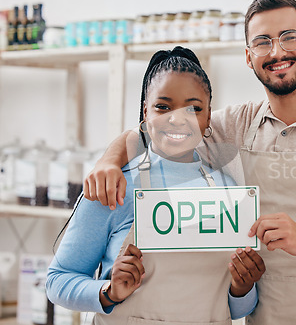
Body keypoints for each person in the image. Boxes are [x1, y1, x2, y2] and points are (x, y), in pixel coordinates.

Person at [84, 0, 296, 325]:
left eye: (289, 38)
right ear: (248, 57)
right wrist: (110, 160)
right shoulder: (236, 126)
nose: (276, 52)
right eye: (262, 43)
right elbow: (163, 128)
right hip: (263, 315)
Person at [46, 47, 265, 325]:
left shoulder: (228, 190)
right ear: (145, 114)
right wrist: (108, 292)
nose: (177, 118)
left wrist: (242, 288)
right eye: (163, 106)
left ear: (208, 117)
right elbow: (57, 280)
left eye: (194, 108)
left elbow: (236, 309)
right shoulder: (115, 187)